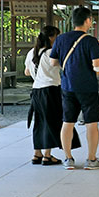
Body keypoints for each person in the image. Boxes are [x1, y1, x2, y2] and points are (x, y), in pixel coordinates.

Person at [48, 6, 99, 170]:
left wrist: (68, 69)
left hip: (68, 86)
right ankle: (91, 159)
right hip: (88, 87)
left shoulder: (61, 39)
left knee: (67, 122)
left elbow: (53, 62)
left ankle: (68, 159)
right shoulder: (90, 41)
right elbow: (97, 66)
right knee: (91, 123)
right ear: (87, 21)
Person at [25, 25, 78, 166]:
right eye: (56, 36)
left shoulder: (31, 52)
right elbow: (63, 66)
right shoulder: (51, 53)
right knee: (51, 121)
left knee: (40, 122)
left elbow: (26, 72)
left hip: (36, 90)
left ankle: (37, 153)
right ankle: (47, 155)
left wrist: (39, 73)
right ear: (51, 37)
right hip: (51, 90)